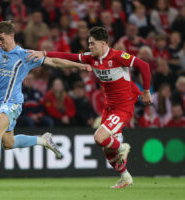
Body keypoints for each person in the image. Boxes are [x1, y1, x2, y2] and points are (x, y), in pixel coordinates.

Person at [0, 21, 90, 188]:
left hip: (13, 103)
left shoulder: (24, 55)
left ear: (11, 36)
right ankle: (43, 140)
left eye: (2, 39)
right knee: (8, 143)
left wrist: (80, 65)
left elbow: (54, 62)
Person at [27, 26, 152, 188]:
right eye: (89, 43)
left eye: (93, 43)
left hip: (123, 106)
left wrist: (146, 91)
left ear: (103, 44)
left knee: (99, 138)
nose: (90, 47)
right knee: (107, 149)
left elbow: (144, 66)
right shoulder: (91, 58)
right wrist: (44, 53)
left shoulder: (118, 56)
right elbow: (68, 56)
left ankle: (123, 146)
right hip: (109, 107)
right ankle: (125, 176)